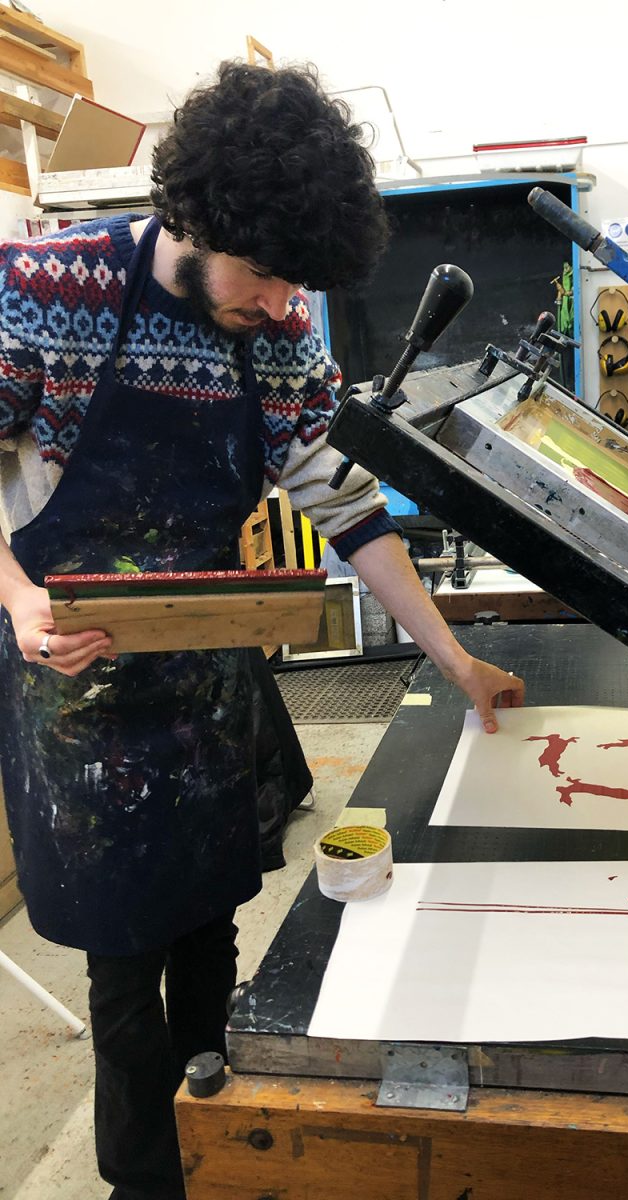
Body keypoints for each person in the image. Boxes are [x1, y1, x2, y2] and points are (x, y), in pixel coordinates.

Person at [0, 61, 524, 1200]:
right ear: (190, 215)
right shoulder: (42, 291)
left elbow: (341, 503)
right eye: (270, 277)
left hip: (209, 691)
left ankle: (228, 1153)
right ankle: (148, 1179)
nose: (289, 305)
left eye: (301, 285)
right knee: (125, 972)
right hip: (78, 698)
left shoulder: (277, 334)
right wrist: (13, 594)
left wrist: (456, 656)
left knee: (216, 927)